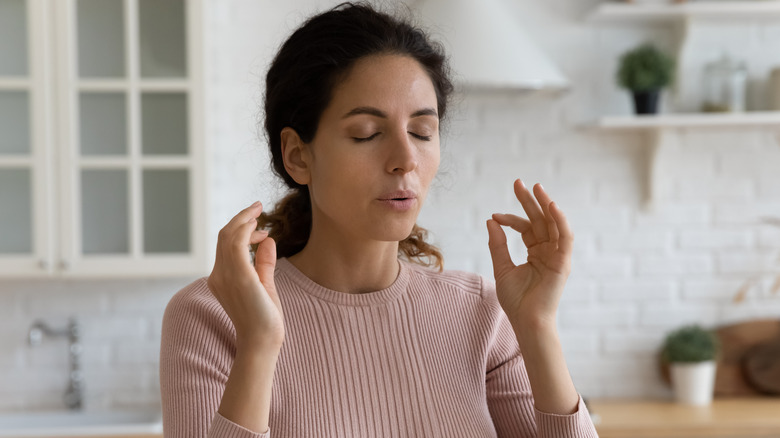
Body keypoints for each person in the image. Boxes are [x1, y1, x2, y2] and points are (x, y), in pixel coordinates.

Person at [159, 3, 599, 437]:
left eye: (422, 132)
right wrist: (258, 345)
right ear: (298, 156)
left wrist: (537, 328)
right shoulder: (213, 315)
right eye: (367, 134)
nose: (405, 159)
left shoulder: (483, 313)